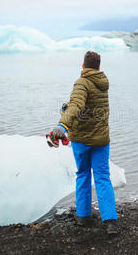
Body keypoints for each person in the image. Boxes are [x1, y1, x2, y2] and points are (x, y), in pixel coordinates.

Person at [51, 51, 118, 235]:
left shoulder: (81, 82)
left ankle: (84, 216)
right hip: (101, 139)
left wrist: (62, 124)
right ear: (98, 67)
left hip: (82, 139)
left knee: (82, 174)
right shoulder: (102, 83)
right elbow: (87, 107)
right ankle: (111, 221)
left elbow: (77, 106)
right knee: (103, 176)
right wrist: (69, 107)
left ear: (83, 66)